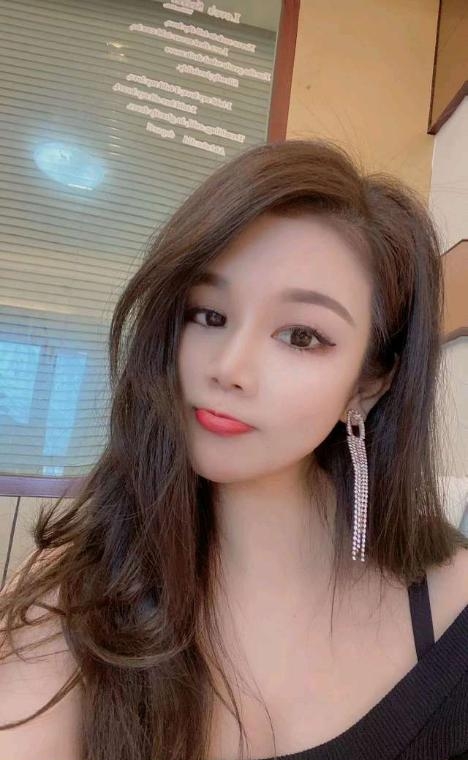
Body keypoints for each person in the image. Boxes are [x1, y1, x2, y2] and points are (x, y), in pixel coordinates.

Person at [0, 138, 467, 760]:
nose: (229, 367)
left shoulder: (454, 606)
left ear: (369, 383)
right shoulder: (79, 586)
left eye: (301, 336)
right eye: (209, 315)